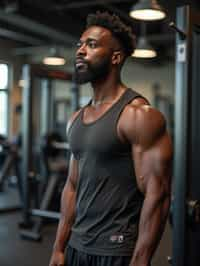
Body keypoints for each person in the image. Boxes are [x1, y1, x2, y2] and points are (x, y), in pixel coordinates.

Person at [49, 11, 173, 266]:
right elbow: (72, 186)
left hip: (116, 251)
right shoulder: (76, 118)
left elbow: (157, 194)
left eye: (91, 45)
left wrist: (141, 260)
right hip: (76, 245)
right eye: (80, 45)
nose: (81, 51)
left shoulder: (138, 116)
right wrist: (59, 247)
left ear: (116, 57)